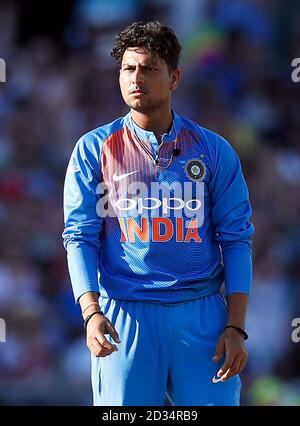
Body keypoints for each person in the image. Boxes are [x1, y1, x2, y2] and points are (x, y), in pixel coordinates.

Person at [62, 21, 254, 406]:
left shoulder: (213, 150)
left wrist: (235, 325)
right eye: (128, 69)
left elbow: (236, 240)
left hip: (201, 315)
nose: (137, 78)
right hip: (125, 316)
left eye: (149, 69)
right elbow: (79, 235)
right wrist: (90, 310)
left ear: (174, 78)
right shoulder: (93, 149)